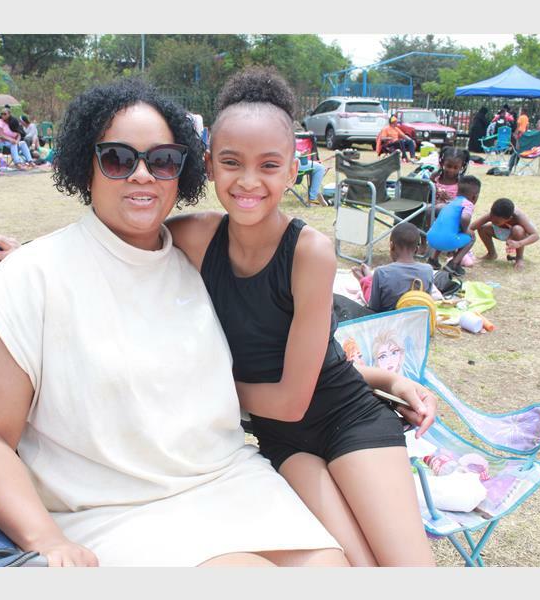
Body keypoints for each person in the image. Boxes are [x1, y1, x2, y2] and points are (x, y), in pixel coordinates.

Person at [0, 76, 348, 568]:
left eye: (162, 160)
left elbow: (270, 347)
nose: (142, 175)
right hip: (114, 510)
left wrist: (382, 379)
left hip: (231, 481)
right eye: (118, 159)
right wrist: (47, 539)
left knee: (331, 571)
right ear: (86, 166)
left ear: (183, 172)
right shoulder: (31, 278)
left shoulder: (197, 260)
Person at [166, 67, 437, 567]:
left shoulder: (309, 251)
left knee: (409, 572)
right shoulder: (195, 236)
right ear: (208, 165)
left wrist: (202, 388)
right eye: (231, 162)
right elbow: (116, 237)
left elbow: (294, 397)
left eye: (269, 165)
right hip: (282, 440)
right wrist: (28, 253)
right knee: (357, 570)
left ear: (293, 171)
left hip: (348, 419)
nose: (249, 180)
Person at [352, 222, 435, 312]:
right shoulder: (428, 270)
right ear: (417, 249)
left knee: (370, 291)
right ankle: (368, 278)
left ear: (391, 246)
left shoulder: (381, 272)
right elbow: (427, 301)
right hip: (417, 318)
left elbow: (373, 308)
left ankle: (365, 280)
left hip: (390, 320)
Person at [426, 175, 481, 275]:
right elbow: (465, 218)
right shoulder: (468, 204)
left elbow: (433, 210)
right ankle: (454, 264)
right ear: (475, 197)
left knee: (445, 232)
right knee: (472, 237)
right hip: (447, 241)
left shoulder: (450, 202)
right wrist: (465, 230)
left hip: (431, 238)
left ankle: (433, 260)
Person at [469, 197, 539, 271]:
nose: (493, 221)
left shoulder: (518, 216)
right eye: (491, 218)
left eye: (496, 222)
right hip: (504, 231)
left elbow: (535, 235)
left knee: (518, 229)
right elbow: (471, 227)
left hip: (520, 235)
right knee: (482, 227)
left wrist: (519, 243)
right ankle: (491, 254)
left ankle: (519, 258)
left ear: (509, 218)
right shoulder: (494, 214)